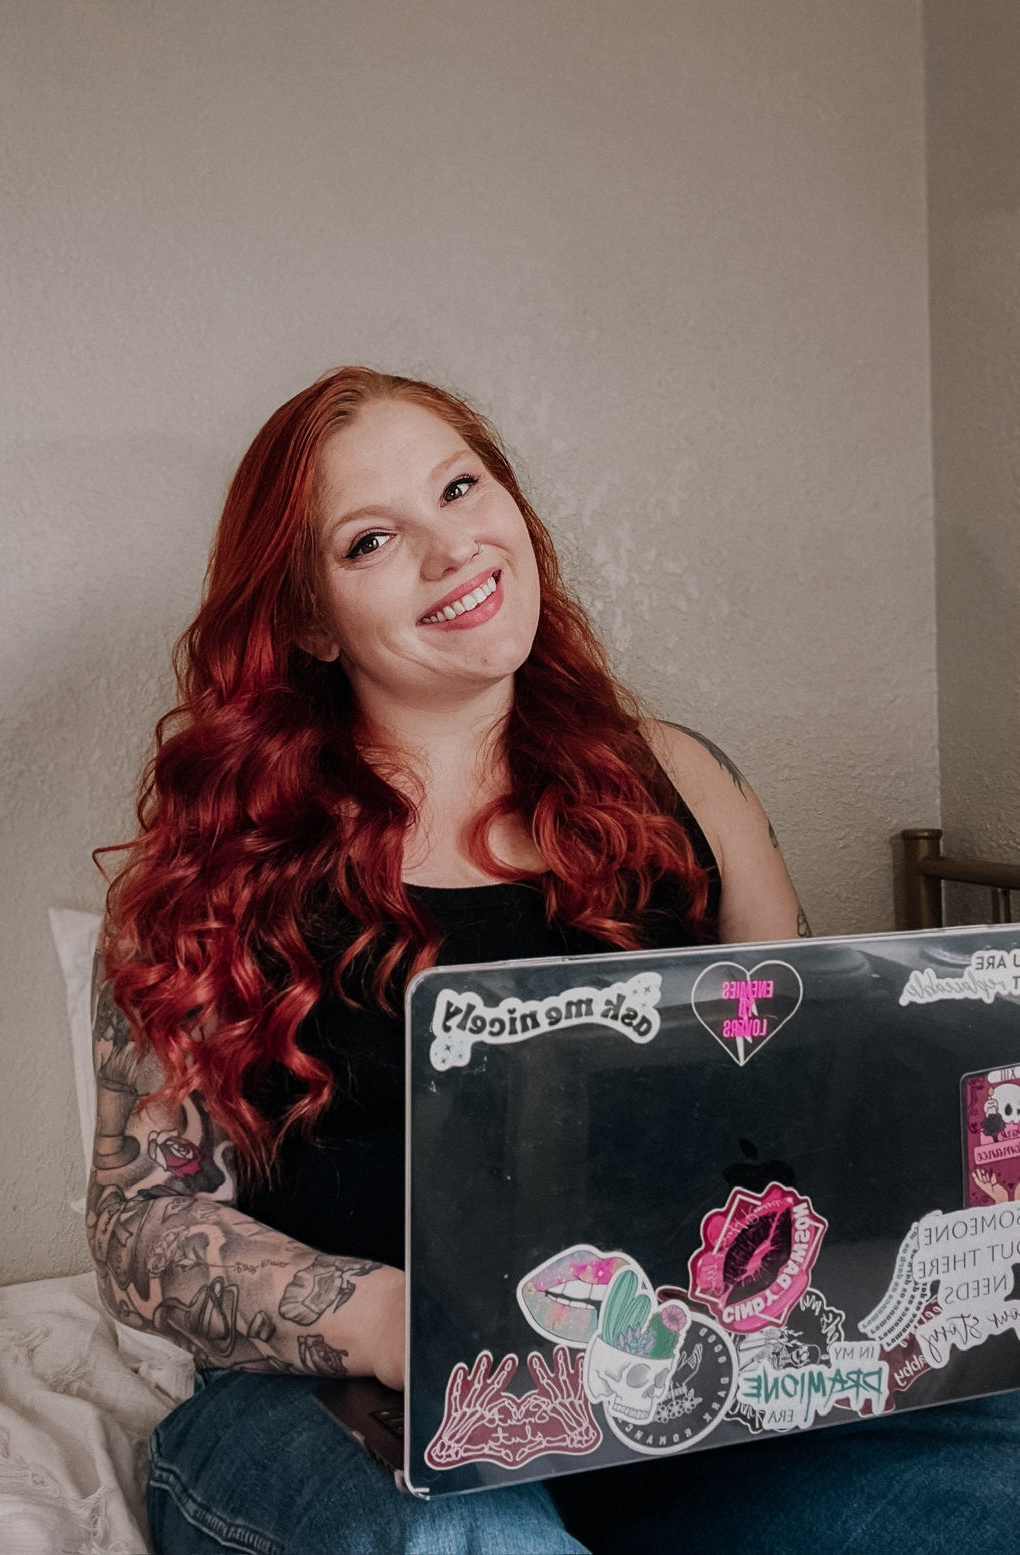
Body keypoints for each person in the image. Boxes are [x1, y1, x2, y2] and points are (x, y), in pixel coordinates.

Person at [87, 368, 1015, 1555]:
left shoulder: (684, 781)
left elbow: (804, 1094)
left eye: (462, 487)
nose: (450, 548)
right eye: (374, 539)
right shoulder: (217, 869)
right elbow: (142, 1222)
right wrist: (391, 1322)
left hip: (690, 1391)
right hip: (341, 1410)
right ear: (310, 618)